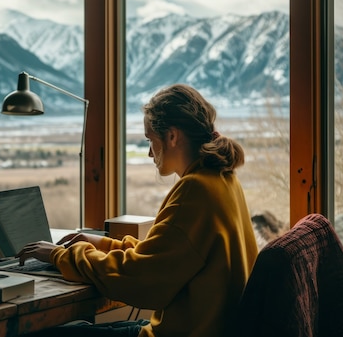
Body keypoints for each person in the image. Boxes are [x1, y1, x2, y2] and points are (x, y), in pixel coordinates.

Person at [17, 84, 259, 337]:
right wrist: (104, 244)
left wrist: (60, 256)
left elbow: (141, 280)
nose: (148, 152)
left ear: (172, 136)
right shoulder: (221, 177)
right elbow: (164, 256)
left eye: (150, 140)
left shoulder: (194, 191)